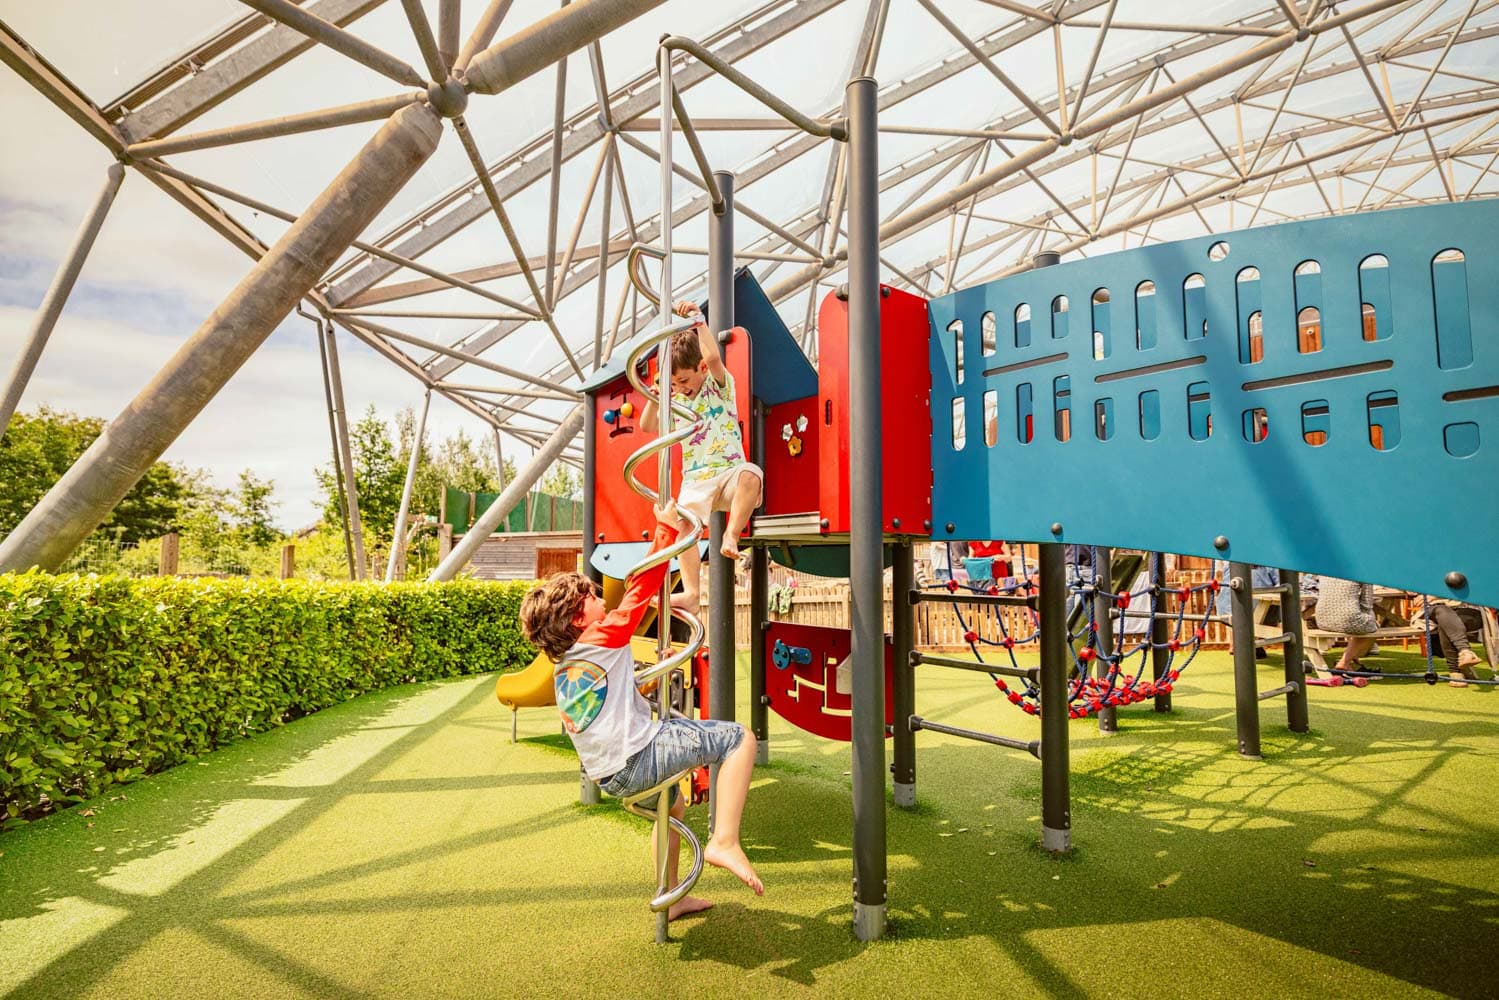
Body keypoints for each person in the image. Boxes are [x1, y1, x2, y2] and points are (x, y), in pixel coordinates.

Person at [519, 501, 764, 919]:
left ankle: (671, 897)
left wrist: (655, 673)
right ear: (580, 617)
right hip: (640, 758)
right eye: (592, 598)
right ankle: (724, 839)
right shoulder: (601, 633)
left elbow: (614, 698)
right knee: (740, 738)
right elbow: (641, 588)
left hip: (610, 774)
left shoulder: (569, 663)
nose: (600, 600)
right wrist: (664, 530)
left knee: (671, 811)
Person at [640, 300, 762, 615]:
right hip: (696, 480)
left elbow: (712, 355)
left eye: (684, 380)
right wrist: (657, 397)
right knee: (681, 524)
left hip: (728, 474)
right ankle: (692, 594)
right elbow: (647, 426)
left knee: (752, 475)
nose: (680, 388)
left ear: (701, 370)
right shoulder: (676, 402)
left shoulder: (717, 387)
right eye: (673, 383)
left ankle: (731, 536)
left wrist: (699, 322)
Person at [1412, 596, 1487, 687]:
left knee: (1445, 623)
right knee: (1442, 612)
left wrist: (1436, 595)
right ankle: (1465, 652)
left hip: (1468, 608)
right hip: (1435, 608)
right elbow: (1409, 589)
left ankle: (1455, 671)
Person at [1314, 577, 1378, 672]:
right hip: (1347, 620)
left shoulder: (1325, 569)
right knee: (1373, 627)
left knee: (1363, 623)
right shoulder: (1364, 571)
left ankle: (1350, 655)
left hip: (1322, 620)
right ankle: (1344, 662)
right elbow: (1367, 604)